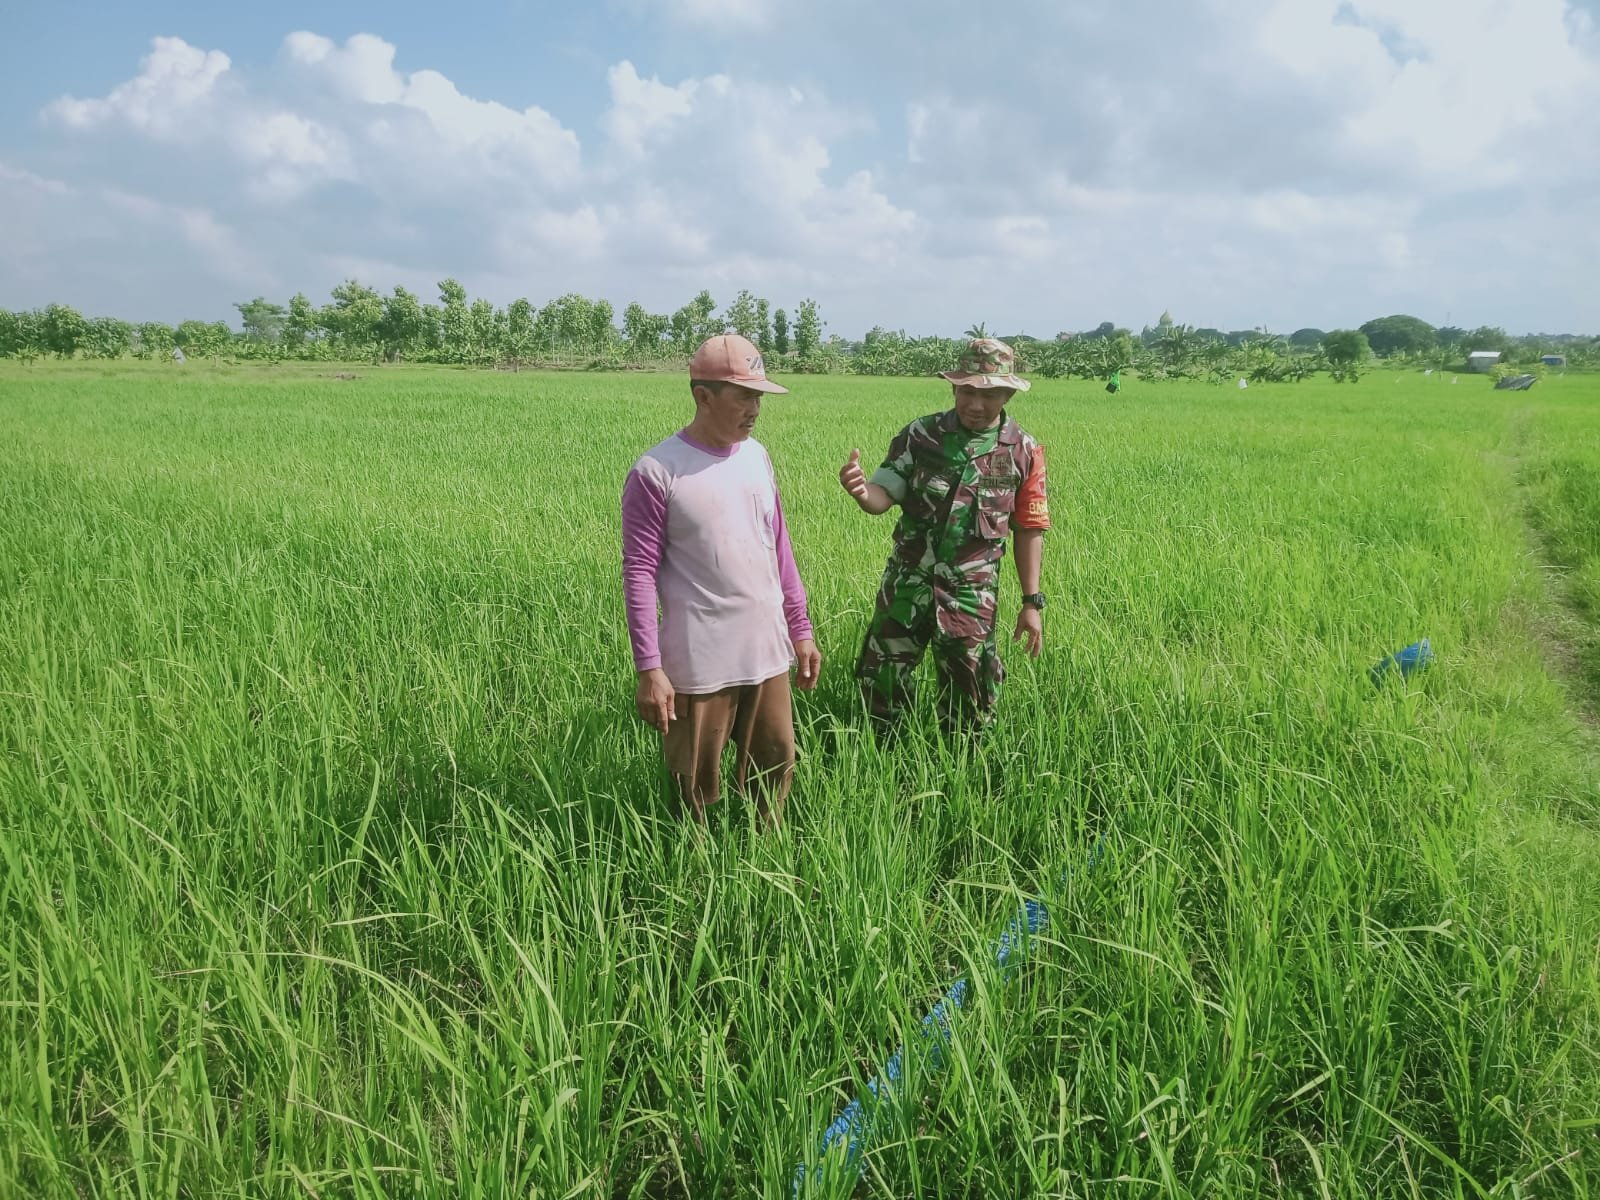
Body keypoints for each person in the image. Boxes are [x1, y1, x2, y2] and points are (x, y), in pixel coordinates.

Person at [621, 333, 821, 825]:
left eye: (759, 397)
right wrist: (650, 668)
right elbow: (639, 573)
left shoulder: (757, 456)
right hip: (700, 662)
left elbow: (779, 547)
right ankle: (692, 867)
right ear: (703, 396)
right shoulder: (658, 471)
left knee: (774, 775)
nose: (754, 409)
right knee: (693, 792)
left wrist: (800, 629)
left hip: (766, 651)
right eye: (744, 396)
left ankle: (764, 860)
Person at [838, 336, 1049, 733]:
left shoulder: (1023, 450)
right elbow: (882, 496)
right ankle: (883, 753)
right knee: (882, 679)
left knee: (971, 691)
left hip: (971, 593)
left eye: (989, 394)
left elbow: (1029, 528)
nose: (976, 404)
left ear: (1007, 395)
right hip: (907, 584)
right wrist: (862, 492)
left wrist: (1031, 602)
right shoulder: (921, 435)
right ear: (954, 388)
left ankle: (961, 762)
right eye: (967, 391)